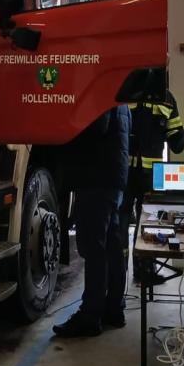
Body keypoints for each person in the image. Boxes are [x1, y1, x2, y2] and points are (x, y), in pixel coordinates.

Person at [53, 105, 131, 337]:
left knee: (93, 247)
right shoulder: (122, 101)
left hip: (96, 178)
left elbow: (94, 129)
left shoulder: (102, 97)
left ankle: (90, 315)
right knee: (111, 246)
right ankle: (114, 308)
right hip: (112, 176)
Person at [124, 91, 184, 286]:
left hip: (152, 174)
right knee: (118, 225)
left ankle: (145, 272)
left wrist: (181, 135)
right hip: (124, 171)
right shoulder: (126, 89)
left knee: (150, 224)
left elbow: (176, 142)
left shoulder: (166, 98)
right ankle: (117, 276)